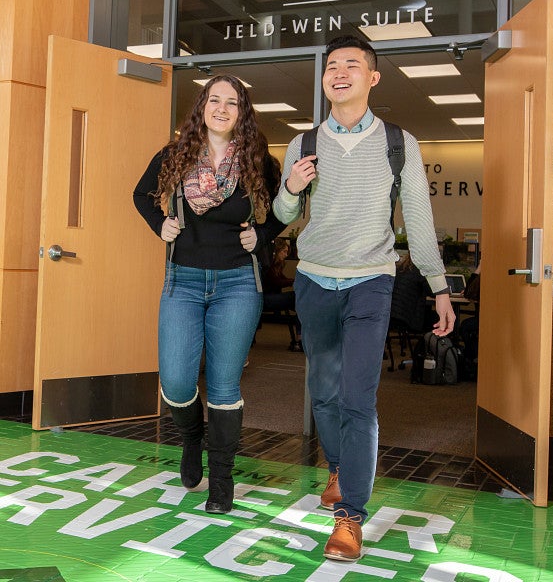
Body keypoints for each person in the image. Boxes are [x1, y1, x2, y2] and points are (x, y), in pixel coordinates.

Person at [273, 35, 455, 561]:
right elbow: (285, 218)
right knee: (324, 394)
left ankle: (349, 515)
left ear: (373, 78)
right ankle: (338, 466)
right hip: (314, 281)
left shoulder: (399, 143)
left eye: (352, 64)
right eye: (332, 66)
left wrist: (439, 286)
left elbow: (419, 220)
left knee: (357, 398)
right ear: (324, 79)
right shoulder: (303, 144)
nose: (340, 72)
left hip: (371, 282)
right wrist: (290, 188)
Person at [133, 74, 285, 514]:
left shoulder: (257, 160)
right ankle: (191, 436)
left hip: (238, 283)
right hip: (182, 281)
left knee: (223, 386)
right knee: (177, 383)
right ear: (202, 107)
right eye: (214, 100)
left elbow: (286, 206)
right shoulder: (175, 155)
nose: (222, 108)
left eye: (232, 103)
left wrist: (264, 234)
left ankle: (221, 480)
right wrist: (159, 223)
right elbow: (142, 195)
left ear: (243, 112)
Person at [262, 237, 302, 350]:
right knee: (296, 297)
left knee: (299, 300)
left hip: (270, 297)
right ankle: (300, 337)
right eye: (283, 251)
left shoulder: (277, 266)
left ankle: (300, 337)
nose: (285, 255)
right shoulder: (268, 265)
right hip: (265, 299)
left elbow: (282, 280)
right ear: (276, 251)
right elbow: (275, 282)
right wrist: (295, 281)